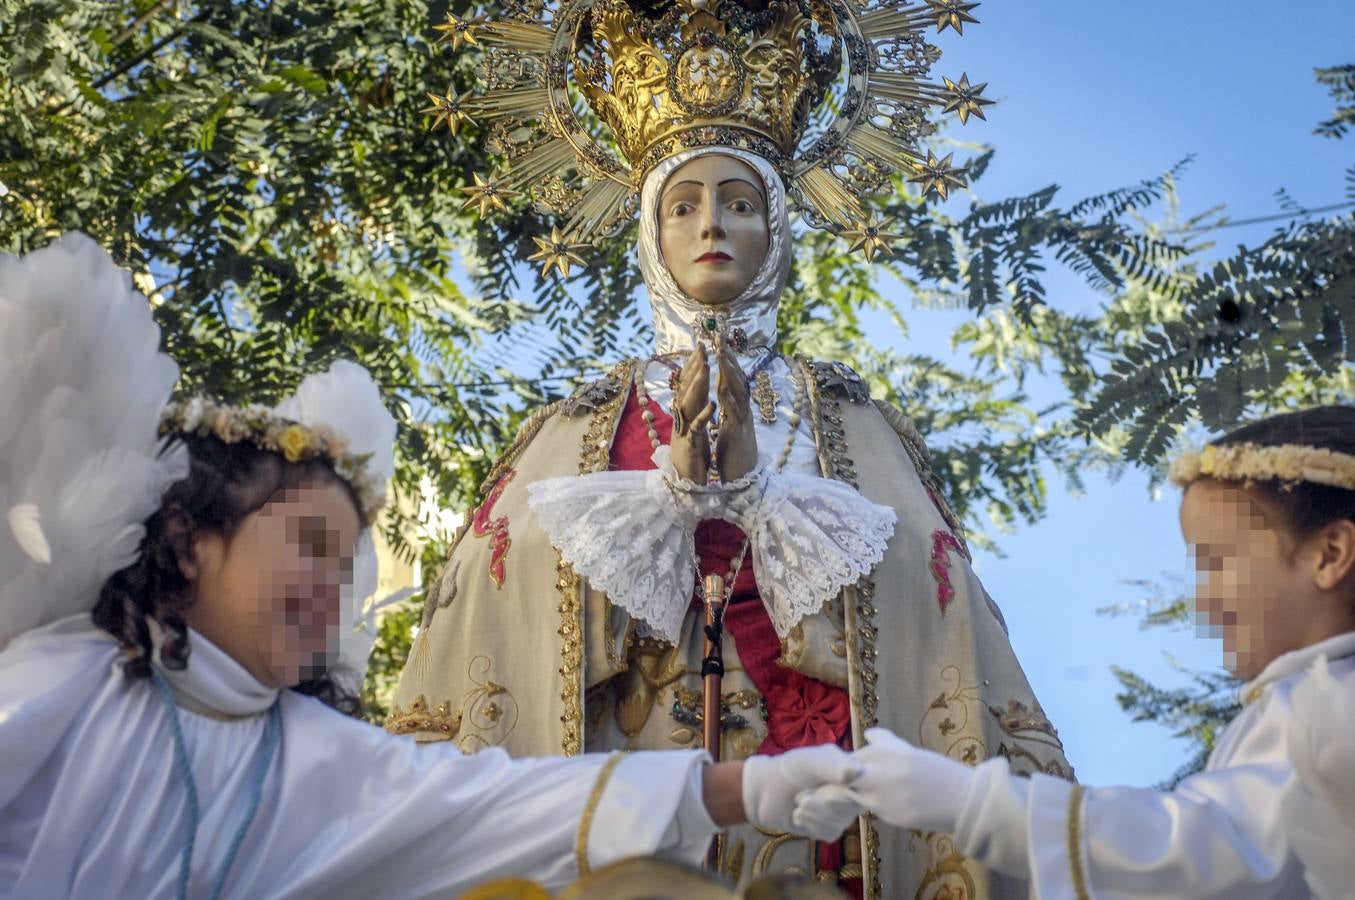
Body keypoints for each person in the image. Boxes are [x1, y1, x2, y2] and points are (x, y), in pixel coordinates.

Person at [395, 2, 1071, 895]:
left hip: (819, 820)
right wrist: (670, 498)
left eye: (740, 202)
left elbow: (923, 606)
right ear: (651, 232)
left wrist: (754, 498)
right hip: (624, 809)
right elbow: (500, 616)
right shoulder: (574, 427)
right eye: (683, 204)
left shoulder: (854, 424)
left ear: (778, 229)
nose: (711, 224)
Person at [0, 234, 860, 899]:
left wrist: (757, 784)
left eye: (345, 569)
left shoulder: (318, 756)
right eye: (307, 547)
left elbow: (508, 806)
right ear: (190, 542)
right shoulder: (64, 679)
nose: (332, 594)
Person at [795, 406, 1355, 899]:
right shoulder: (1302, 705)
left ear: (1330, 554)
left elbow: (1211, 852)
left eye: (1219, 562)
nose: (1203, 599)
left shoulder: (1327, 710)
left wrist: (969, 803)